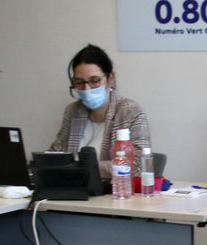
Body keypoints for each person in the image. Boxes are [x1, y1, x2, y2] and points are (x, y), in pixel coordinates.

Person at [49, 44, 150, 180]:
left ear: (110, 79)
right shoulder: (73, 111)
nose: (86, 89)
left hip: (113, 189)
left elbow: (138, 165)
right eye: (79, 82)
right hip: (73, 187)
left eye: (94, 81)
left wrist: (81, 167)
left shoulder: (129, 111)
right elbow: (55, 155)